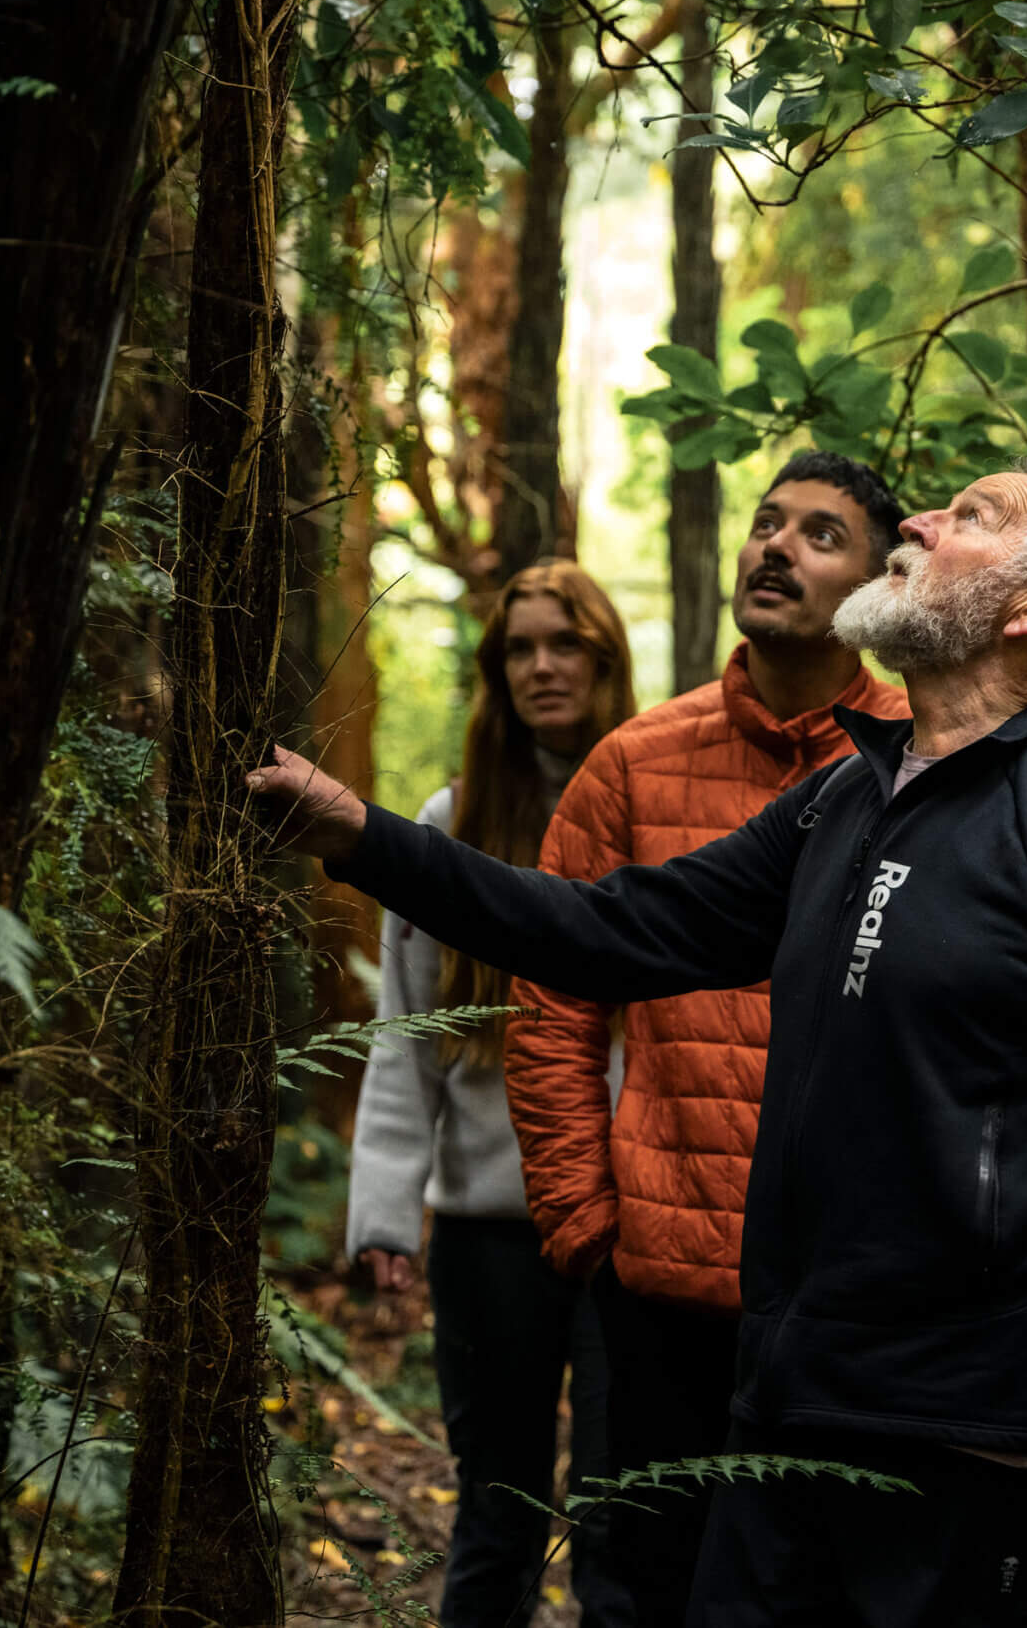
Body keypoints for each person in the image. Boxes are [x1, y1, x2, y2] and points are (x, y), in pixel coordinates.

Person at [256, 462, 1027, 1627]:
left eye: (974, 516)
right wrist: (362, 836)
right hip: (787, 1409)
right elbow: (607, 929)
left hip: (981, 1441)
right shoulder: (843, 799)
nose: (924, 521)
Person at [500, 452, 907, 1622]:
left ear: (882, 587)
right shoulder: (634, 761)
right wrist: (583, 1215)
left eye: (821, 535)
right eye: (766, 524)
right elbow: (553, 999)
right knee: (641, 1589)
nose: (775, 546)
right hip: (662, 1281)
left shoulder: (928, 764)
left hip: (848, 1294)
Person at [343, 560, 639, 1628]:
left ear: (608, 661)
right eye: (519, 648)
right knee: (496, 1515)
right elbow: (406, 1040)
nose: (543, 667)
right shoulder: (449, 819)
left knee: (623, 1516)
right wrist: (384, 1209)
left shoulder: (658, 807)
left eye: (567, 644)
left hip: (633, 1229)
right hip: (488, 1232)